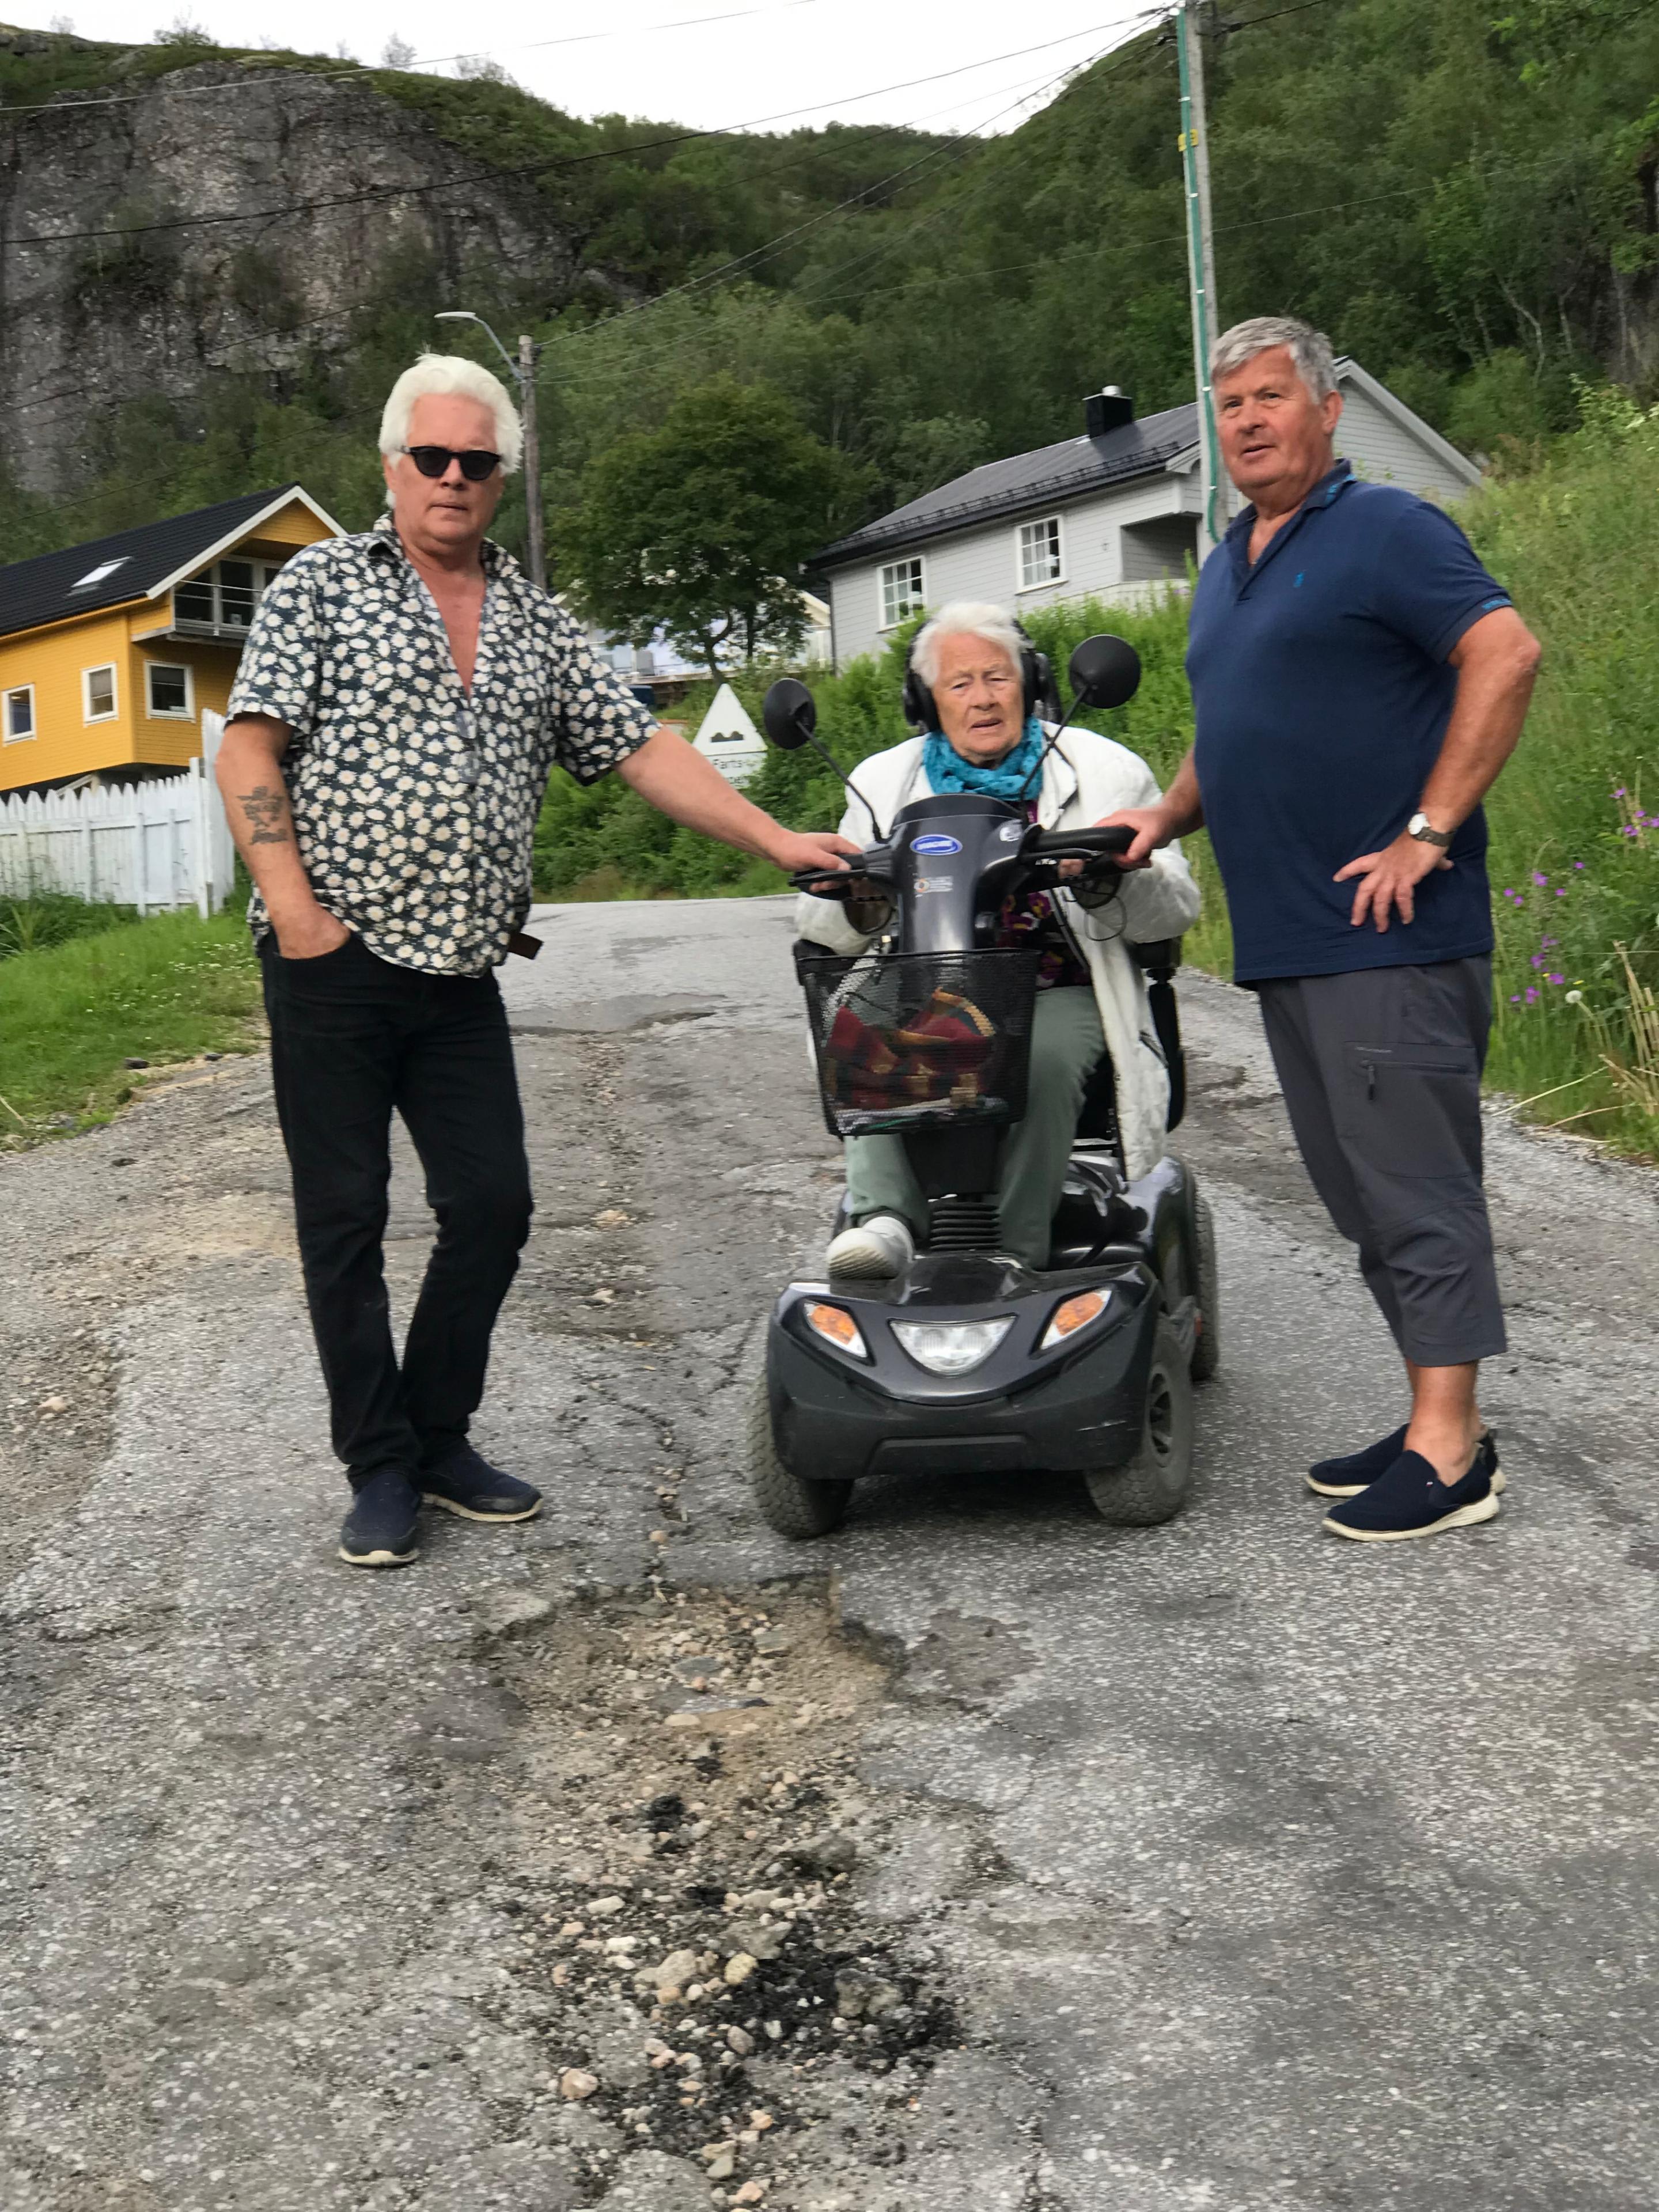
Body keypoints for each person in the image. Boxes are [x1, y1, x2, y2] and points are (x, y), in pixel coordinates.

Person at [217, 353, 855, 1569]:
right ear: (393, 466)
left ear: (501, 478)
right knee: (345, 1220)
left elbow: (642, 749)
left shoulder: (534, 621)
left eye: (477, 461)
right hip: (332, 959)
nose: (452, 478)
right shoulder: (321, 586)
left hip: (460, 973)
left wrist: (778, 840)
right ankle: (380, 1465)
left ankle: (437, 1435)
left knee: (494, 1206)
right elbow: (248, 751)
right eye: (432, 457)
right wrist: (295, 911)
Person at [1108, 316, 1541, 1543]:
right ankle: (1434, 1419)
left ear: (1325, 408)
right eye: (1229, 404)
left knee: (1416, 1191)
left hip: (1389, 934)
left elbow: (1505, 653)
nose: (1247, 421)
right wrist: (1165, 813)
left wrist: (1429, 831)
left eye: (1269, 396)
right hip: (1293, 940)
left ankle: (1452, 1455)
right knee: (1362, 1198)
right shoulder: (1230, 559)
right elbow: (1233, 724)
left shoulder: (1388, 529)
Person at [796, 601, 1200, 1275]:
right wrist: (859, 899)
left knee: (1036, 1059)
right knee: (857, 1025)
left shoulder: (1105, 770)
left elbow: (1176, 910)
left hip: (1062, 982)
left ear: (1031, 683)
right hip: (930, 981)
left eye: (997, 677)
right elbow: (824, 931)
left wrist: (1108, 879)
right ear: (926, 700)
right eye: (959, 683)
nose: (981, 699)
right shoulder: (879, 785)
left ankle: (1013, 1252)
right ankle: (886, 1219)